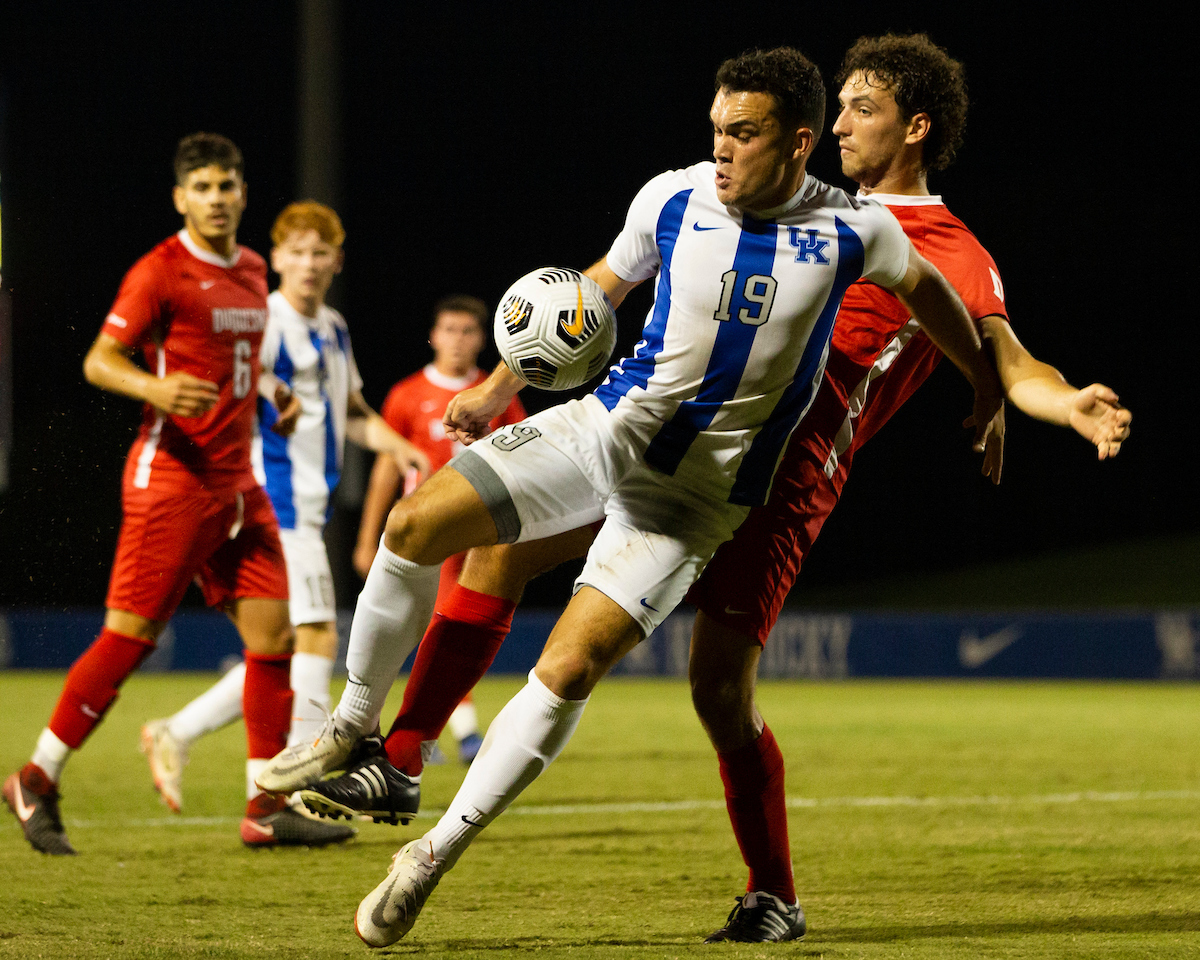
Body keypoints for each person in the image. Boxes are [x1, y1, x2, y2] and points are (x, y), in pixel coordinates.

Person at [293, 33, 1132, 944]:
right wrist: (507, 381)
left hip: (779, 486)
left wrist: (1056, 402)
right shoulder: (770, 202)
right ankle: (400, 752)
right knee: (490, 543)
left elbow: (1009, 356)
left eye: (864, 107)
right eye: (838, 104)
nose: (844, 122)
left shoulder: (930, 245)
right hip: (653, 441)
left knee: (716, 691)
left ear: (916, 127)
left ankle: (773, 890)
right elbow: (619, 276)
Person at [1, 134, 342, 853]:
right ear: (181, 197)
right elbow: (100, 360)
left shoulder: (252, 268)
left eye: (228, 185)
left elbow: (236, 360)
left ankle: (264, 805)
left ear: (243, 193)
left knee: (274, 638)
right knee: (130, 637)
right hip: (174, 483)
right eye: (203, 187)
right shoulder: (160, 272)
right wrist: (154, 387)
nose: (217, 198)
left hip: (238, 484)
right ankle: (36, 777)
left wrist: (268, 392)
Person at [137, 201, 429, 824]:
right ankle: (296, 786)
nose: (308, 264)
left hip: (310, 506)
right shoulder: (260, 321)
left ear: (336, 261)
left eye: (320, 253)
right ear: (276, 259)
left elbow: (351, 411)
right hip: (273, 500)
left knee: (279, 650)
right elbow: (225, 392)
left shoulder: (335, 327)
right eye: (296, 252)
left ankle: (178, 731)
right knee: (316, 635)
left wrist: (398, 444)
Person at [352, 295, 526, 765]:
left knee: (447, 625)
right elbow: (386, 471)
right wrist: (368, 539)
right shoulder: (407, 395)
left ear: (482, 338)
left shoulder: (498, 392)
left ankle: (419, 732)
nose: (457, 339)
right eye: (449, 329)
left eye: (468, 331)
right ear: (434, 336)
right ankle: (421, 731)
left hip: (477, 533)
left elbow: (525, 458)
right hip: (424, 533)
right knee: (418, 627)